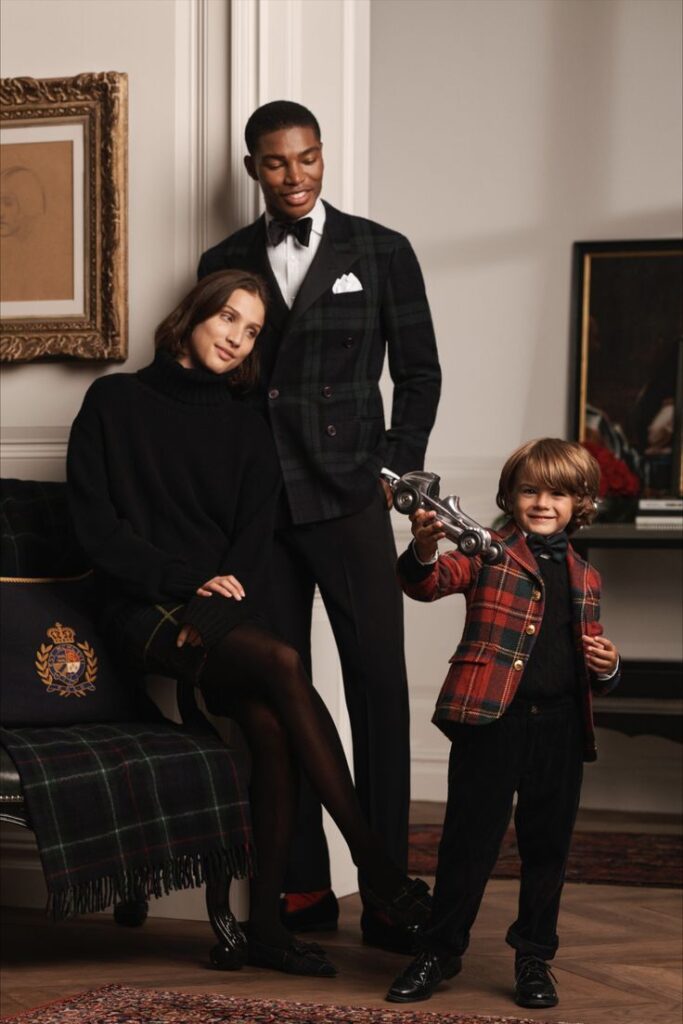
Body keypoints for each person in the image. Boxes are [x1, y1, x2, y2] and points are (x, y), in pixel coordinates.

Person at [66, 269, 431, 978]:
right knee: (286, 662)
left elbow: (249, 542)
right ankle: (378, 865)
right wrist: (183, 582)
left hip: (217, 612)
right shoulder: (114, 400)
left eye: (252, 330)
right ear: (193, 316)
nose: (236, 338)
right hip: (141, 607)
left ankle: (264, 928)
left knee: (270, 729)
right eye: (227, 318)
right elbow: (95, 529)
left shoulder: (247, 426)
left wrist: (213, 599)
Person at [198, 100, 441, 952]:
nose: (294, 177)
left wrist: (390, 469)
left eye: (306, 160)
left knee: (377, 688)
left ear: (323, 158)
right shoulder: (223, 260)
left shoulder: (381, 250)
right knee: (274, 691)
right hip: (260, 510)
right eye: (275, 163)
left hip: (345, 499)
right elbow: (216, 382)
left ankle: (386, 893)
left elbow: (418, 374)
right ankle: (300, 884)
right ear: (252, 168)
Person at [385, 438, 620, 1008]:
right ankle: (439, 951)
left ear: (580, 502)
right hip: (492, 721)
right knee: (468, 844)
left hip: (562, 728)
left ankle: (534, 960)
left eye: (558, 493)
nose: (543, 502)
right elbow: (426, 584)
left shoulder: (587, 577)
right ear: (510, 496)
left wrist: (610, 666)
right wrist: (421, 546)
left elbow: (587, 657)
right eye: (530, 490)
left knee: (547, 849)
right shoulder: (487, 552)